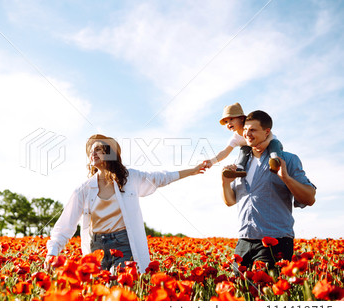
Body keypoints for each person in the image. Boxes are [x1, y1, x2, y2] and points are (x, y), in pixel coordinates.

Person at [45, 134, 207, 273]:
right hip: (97, 246)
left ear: (110, 154)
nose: (93, 153)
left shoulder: (130, 179)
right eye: (91, 151)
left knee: (124, 288)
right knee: (100, 293)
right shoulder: (84, 190)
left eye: (98, 149)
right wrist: (52, 252)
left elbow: (161, 177)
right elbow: (65, 224)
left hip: (123, 243)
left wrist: (192, 171)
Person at [221, 110, 316, 274]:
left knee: (266, 295)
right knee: (238, 293)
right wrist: (225, 183)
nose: (247, 134)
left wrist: (286, 178)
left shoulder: (288, 159)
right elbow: (230, 201)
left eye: (253, 130)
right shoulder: (241, 163)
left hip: (275, 241)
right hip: (244, 240)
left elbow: (309, 198)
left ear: (267, 132)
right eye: (245, 130)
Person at [204, 103, 284, 178]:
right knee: (244, 149)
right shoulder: (235, 138)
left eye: (231, 119)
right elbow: (225, 152)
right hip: (255, 151)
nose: (228, 123)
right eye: (226, 121)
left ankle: (275, 160)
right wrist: (212, 161)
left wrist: (265, 143)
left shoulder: (250, 126)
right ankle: (240, 168)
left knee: (274, 143)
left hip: (271, 144)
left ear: (242, 118)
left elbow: (269, 133)